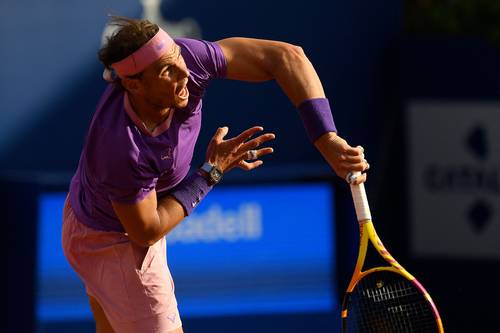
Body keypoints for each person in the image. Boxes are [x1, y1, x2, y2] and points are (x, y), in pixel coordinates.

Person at [62, 16, 369, 333]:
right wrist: (211, 172)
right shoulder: (122, 147)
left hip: (92, 212)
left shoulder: (188, 61)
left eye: (177, 58)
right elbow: (146, 230)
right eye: (167, 71)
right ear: (134, 84)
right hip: (113, 241)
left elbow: (286, 57)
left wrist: (326, 137)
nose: (183, 74)